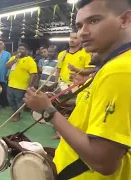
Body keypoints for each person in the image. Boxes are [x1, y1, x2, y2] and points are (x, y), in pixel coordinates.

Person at [25, 0, 131, 179]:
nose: (83, 32)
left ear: (125, 20)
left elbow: (103, 162)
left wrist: (48, 111)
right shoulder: (112, 66)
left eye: (94, 21)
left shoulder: (118, 71)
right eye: (79, 25)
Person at [6, 44, 37, 122]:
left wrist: (29, 86)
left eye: (22, 49)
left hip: (21, 86)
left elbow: (33, 73)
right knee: (10, 100)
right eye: (19, 49)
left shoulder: (29, 60)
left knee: (19, 102)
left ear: (26, 51)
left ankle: (18, 116)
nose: (20, 50)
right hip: (10, 84)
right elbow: (6, 66)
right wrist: (14, 60)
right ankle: (14, 112)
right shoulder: (14, 58)